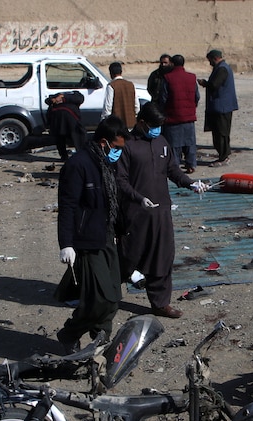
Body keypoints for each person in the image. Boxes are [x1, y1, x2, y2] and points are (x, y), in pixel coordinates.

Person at [116, 103, 208, 319]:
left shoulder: (161, 142)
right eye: (153, 126)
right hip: (135, 214)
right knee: (128, 257)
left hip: (161, 213)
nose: (157, 130)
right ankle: (105, 294)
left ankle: (160, 303)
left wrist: (190, 183)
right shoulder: (127, 145)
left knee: (162, 256)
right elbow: (120, 180)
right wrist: (139, 198)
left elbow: (172, 170)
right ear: (141, 123)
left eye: (160, 126)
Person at [54, 116, 130, 354]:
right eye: (116, 148)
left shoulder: (106, 164)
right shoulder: (79, 165)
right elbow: (67, 206)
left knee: (114, 297)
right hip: (86, 241)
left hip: (107, 236)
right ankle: (70, 333)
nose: (118, 153)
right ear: (104, 142)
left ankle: (102, 336)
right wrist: (66, 243)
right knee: (99, 299)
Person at [158, 54, 200, 173]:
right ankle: (191, 164)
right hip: (189, 117)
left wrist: (163, 112)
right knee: (190, 143)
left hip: (172, 117)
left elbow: (163, 98)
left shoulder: (168, 78)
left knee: (174, 145)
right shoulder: (192, 77)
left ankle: (175, 167)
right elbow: (197, 96)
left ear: (172, 63)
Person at [198, 49, 238, 167]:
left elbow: (215, 84)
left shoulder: (222, 69)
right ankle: (223, 155)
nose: (209, 63)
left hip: (222, 107)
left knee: (221, 133)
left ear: (215, 58)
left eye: (210, 60)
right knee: (219, 132)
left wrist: (204, 83)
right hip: (220, 107)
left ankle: (223, 157)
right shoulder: (222, 67)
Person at [45, 90, 87, 162]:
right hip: (65, 116)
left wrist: (63, 98)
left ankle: (74, 155)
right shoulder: (57, 95)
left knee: (68, 136)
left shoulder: (74, 95)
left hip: (65, 116)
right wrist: (54, 100)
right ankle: (78, 155)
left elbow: (80, 99)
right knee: (76, 135)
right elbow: (48, 100)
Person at [101, 61, 139, 129]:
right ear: (121, 72)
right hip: (131, 124)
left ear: (111, 73)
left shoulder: (111, 86)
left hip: (117, 125)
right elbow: (137, 106)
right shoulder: (131, 85)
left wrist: (104, 121)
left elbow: (108, 107)